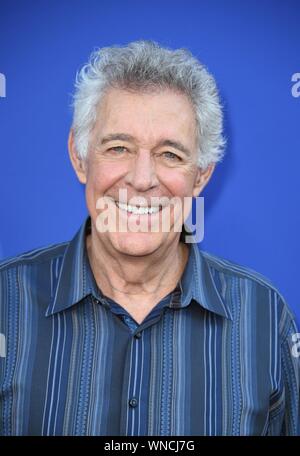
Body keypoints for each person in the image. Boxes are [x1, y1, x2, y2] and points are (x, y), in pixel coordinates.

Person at [0, 41, 299, 436]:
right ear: (79, 156)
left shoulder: (265, 316)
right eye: (119, 147)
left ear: (202, 175)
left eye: (170, 154)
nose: (142, 179)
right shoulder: (6, 301)